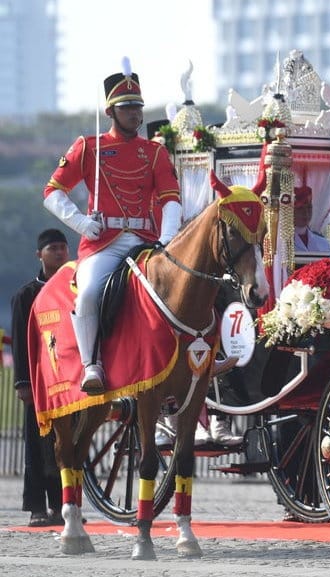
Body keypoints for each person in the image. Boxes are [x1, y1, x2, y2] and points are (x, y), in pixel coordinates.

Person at [41, 58, 182, 395]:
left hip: (148, 240)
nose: (136, 113)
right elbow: (52, 192)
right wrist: (80, 222)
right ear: (111, 111)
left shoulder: (155, 152)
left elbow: (172, 199)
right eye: (127, 107)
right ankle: (92, 365)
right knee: (88, 293)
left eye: (139, 107)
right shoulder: (89, 147)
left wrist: (166, 238)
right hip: (103, 242)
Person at [10, 229, 71, 526]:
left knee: (66, 444)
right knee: (37, 445)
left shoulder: (75, 290)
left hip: (67, 381)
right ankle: (37, 507)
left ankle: (64, 506)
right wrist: (23, 382)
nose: (60, 253)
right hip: (37, 382)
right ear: (40, 255)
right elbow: (20, 342)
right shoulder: (26, 295)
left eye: (63, 247)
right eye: (54, 248)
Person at [292, 185, 330, 252]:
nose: (306, 213)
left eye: (309, 208)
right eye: (300, 209)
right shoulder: (282, 243)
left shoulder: (323, 243)